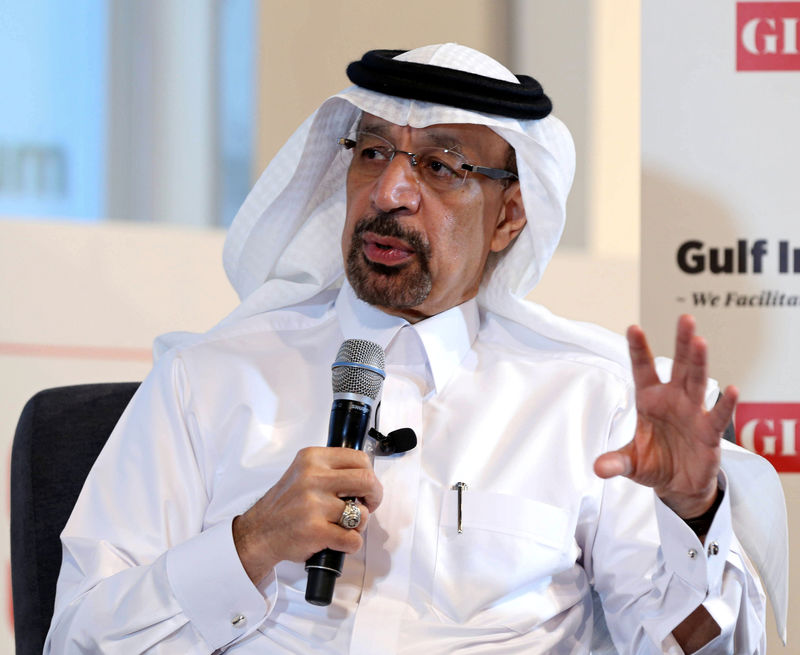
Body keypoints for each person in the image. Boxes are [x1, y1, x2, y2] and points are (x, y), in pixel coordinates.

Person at [45, 44, 783, 654]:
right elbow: (76, 637)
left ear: (510, 215)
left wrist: (692, 513)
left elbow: (689, 647)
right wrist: (249, 544)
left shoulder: (589, 400)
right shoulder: (207, 378)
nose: (390, 190)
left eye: (441, 165)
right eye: (371, 152)